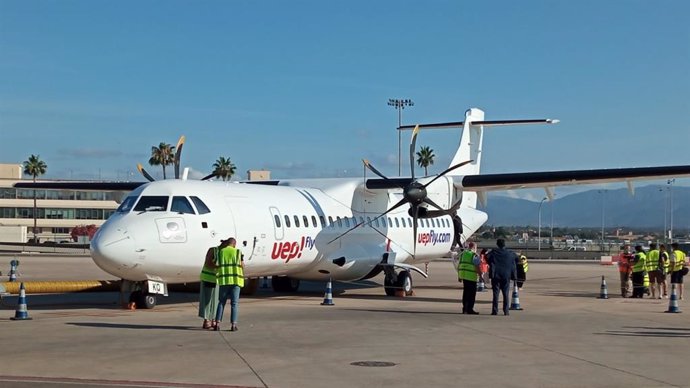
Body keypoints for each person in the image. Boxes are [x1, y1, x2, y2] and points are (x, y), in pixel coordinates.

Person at [214, 237, 245, 331]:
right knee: (234, 304)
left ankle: (217, 324)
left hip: (224, 281)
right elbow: (242, 265)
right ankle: (233, 325)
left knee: (221, 302)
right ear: (234, 244)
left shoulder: (221, 252)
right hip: (236, 281)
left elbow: (216, 264)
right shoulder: (238, 252)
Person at [198, 241, 227, 329]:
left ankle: (213, 319)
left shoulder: (222, 252)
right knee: (207, 300)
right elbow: (208, 263)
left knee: (215, 301)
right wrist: (219, 267)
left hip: (216, 280)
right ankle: (206, 320)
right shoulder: (213, 250)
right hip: (208, 278)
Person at [486, 239, 517, 316]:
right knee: (506, 294)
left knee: (495, 294)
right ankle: (506, 311)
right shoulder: (510, 253)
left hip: (496, 275)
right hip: (506, 275)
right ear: (504, 244)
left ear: (497, 244)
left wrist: (492, 263)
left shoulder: (493, 252)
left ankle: (495, 311)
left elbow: (487, 257)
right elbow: (517, 258)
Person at [458, 242, 480, 314]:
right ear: (474, 247)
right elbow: (477, 266)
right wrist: (480, 275)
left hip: (464, 276)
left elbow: (459, 264)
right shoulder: (474, 255)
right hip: (471, 277)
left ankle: (465, 309)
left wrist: (459, 276)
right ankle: (470, 309)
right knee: (472, 294)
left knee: (465, 293)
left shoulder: (463, 254)